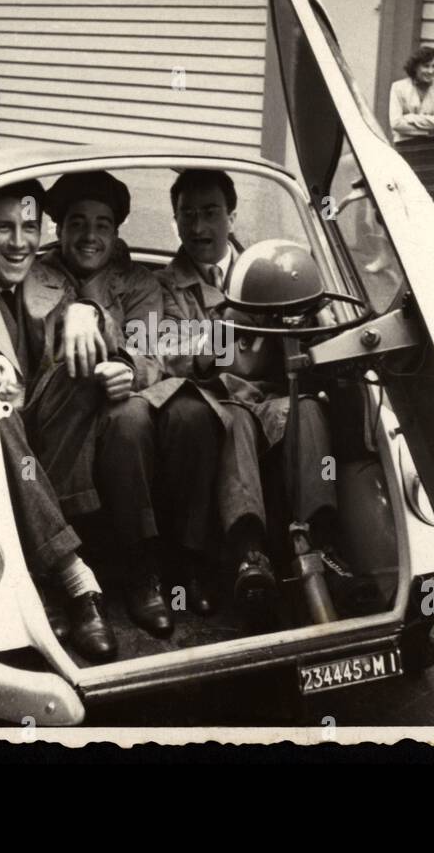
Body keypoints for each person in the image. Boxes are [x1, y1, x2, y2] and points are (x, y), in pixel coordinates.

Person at [139, 169, 339, 627]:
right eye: (186, 215)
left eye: (210, 213)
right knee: (233, 423)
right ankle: (249, 552)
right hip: (219, 398)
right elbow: (172, 351)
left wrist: (308, 319)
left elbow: (316, 326)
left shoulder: (269, 268)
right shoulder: (165, 285)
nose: (198, 227)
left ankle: (322, 542)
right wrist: (229, 321)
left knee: (308, 410)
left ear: (232, 215)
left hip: (278, 394)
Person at [21, 170, 216, 638]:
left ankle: (146, 567)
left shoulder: (138, 282)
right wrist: (83, 314)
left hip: (121, 412)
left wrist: (129, 367)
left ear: (116, 231)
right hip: (53, 414)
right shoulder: (37, 275)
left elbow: (154, 349)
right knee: (91, 383)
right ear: (59, 229)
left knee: (154, 414)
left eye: (102, 225)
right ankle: (66, 572)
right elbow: (46, 340)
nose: (90, 236)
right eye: (78, 223)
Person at [0, 178, 117, 663]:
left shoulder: (43, 276)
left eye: (29, 228)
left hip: (38, 439)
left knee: (86, 373)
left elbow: (86, 311)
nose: (19, 242)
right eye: (3, 228)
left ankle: (42, 567)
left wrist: (84, 313)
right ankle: (71, 574)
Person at [388, 45, 434, 212]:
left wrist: (409, 118)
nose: (431, 71)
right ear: (415, 67)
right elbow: (395, 123)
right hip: (406, 149)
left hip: (430, 151)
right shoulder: (398, 88)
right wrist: (426, 127)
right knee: (406, 197)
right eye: (426, 66)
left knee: (432, 200)